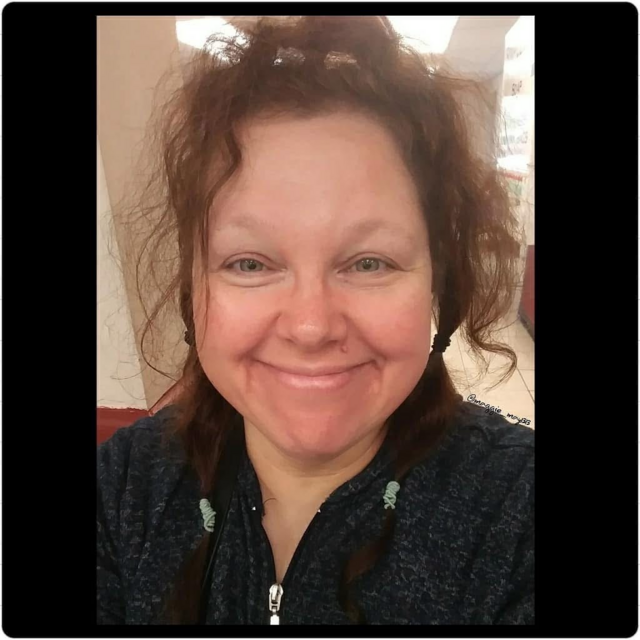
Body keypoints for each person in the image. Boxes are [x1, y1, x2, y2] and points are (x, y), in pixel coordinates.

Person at [97, 15, 533, 625]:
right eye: (250, 263)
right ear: (192, 288)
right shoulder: (124, 487)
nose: (310, 327)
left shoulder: (516, 514)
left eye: (369, 262)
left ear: (438, 281)